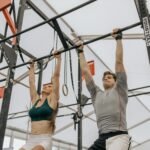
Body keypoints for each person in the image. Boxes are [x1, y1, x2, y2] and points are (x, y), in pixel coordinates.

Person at [77, 29, 131, 150]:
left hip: (119, 137)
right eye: (104, 77)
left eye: (109, 77)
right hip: (102, 138)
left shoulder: (120, 89)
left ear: (116, 80)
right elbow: (85, 72)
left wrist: (118, 39)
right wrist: (80, 51)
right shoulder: (96, 93)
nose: (106, 78)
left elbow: (118, 63)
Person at [20, 52, 61, 150]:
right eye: (45, 85)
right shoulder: (35, 100)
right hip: (31, 139)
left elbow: (55, 77)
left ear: (53, 90)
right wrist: (32, 67)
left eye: (49, 86)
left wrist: (58, 60)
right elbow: (31, 82)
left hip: (44, 140)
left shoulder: (52, 100)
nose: (46, 86)